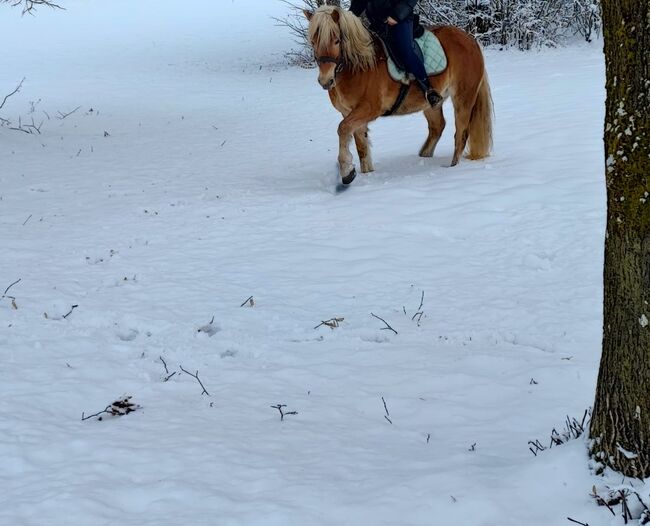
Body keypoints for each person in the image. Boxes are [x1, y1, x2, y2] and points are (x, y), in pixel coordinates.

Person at [349, 0, 442, 106]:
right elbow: (358, 3)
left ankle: (428, 88)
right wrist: (347, 18)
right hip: (377, 23)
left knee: (406, 51)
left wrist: (397, 15)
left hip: (400, 19)